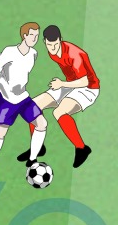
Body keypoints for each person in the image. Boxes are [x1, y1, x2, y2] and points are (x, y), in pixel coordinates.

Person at [16, 24, 99, 169]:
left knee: (59, 112)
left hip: (88, 88)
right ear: (45, 42)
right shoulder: (52, 52)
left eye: (55, 44)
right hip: (69, 85)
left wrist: (61, 84)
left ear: (61, 39)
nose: (52, 48)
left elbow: (85, 81)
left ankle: (82, 148)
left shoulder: (74, 54)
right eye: (49, 45)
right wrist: (64, 85)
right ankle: (38, 146)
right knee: (32, 107)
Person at [0, 22, 48, 180]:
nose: (35, 39)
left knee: (42, 124)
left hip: (23, 98)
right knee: (0, 133)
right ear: (24, 35)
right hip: (6, 100)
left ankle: (32, 160)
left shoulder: (34, 54)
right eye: (32, 35)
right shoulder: (9, 52)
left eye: (37, 36)